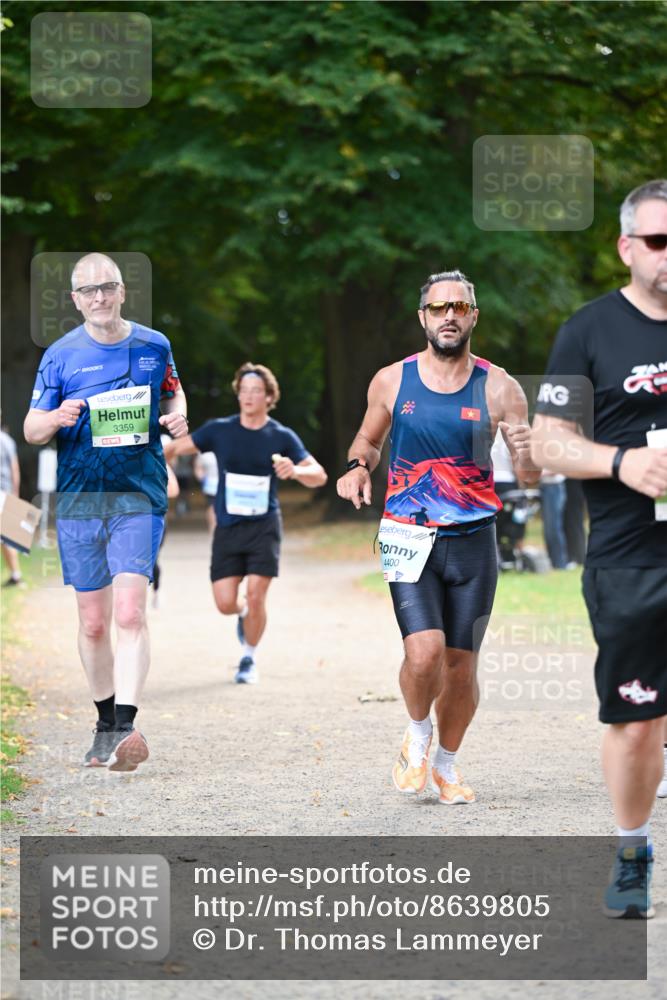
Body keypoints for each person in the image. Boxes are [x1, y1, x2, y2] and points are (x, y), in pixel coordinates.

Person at [337, 269, 540, 804]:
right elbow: (368, 438)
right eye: (438, 307)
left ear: (474, 315)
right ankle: (417, 733)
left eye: (459, 306)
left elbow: (531, 475)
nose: (448, 315)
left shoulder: (501, 386)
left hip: (474, 540)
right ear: (422, 317)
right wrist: (359, 465)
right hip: (408, 536)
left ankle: (447, 765)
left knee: (460, 665)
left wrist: (526, 451)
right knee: (424, 655)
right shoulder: (390, 380)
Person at [532, 179, 667, 918]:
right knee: (636, 717)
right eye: (657, 241)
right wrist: (621, 463)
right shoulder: (588, 330)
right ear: (625, 247)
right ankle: (630, 850)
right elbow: (550, 443)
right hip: (629, 553)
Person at [24, 253, 188, 771]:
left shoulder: (153, 345)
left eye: (107, 288)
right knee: (93, 623)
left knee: (129, 613)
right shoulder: (59, 356)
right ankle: (103, 722)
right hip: (79, 500)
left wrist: (178, 419)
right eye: (88, 291)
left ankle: (126, 724)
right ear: (75, 300)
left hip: (137, 496)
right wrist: (55, 415)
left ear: (121, 291)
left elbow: (173, 394)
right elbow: (31, 429)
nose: (99, 297)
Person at [164, 362, 327, 684]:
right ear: (238, 394)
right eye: (244, 390)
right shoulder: (219, 430)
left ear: (269, 397)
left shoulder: (280, 435)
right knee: (226, 603)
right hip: (228, 526)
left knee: (256, 595)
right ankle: (242, 615)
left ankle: (248, 658)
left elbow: (319, 475)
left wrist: (295, 471)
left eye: (257, 391)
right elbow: (171, 449)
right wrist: (164, 470)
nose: (249, 396)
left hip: (264, 526)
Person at [0, 425, 24, 586]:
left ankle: (16, 575)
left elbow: (14, 468)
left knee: (6, 536)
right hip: (7, 492)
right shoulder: (7, 439)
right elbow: (15, 468)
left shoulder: (5, 440)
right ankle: (16, 575)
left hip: (3, 491)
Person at [539, 469, 568, 569]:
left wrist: (536, 473)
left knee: (553, 527)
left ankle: (560, 563)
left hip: (554, 486)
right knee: (548, 529)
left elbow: (557, 468)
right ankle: (553, 561)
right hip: (545, 486)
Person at [194, 451, 219, 533]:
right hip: (211, 485)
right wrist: (202, 479)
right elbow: (198, 467)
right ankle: (213, 527)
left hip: (225, 483)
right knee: (212, 506)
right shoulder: (202, 452)